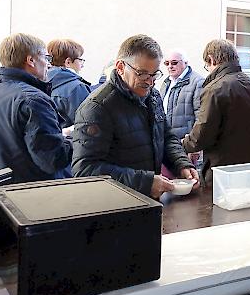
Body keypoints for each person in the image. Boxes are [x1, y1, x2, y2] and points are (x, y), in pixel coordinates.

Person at [72, 35, 198, 199]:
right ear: (120, 67)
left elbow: (166, 137)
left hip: (149, 202)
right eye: (142, 74)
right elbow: (85, 170)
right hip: (116, 207)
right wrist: (144, 183)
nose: (150, 82)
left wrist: (181, 163)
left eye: (154, 75)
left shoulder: (153, 96)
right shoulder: (97, 108)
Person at [0, 33, 72, 182]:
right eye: (46, 58)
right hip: (27, 199)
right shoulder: (33, 100)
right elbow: (52, 159)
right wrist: (77, 137)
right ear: (31, 60)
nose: (49, 64)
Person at [182, 39, 250, 182]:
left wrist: (184, 143)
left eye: (206, 66)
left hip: (222, 172)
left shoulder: (214, 89)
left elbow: (203, 134)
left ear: (211, 59)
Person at [159, 49, 204, 140]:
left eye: (174, 63)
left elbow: (200, 117)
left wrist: (194, 142)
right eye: (167, 63)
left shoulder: (197, 82)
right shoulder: (166, 83)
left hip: (185, 143)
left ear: (185, 63)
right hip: (167, 141)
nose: (170, 66)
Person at [47, 39, 91, 128]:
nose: (82, 65)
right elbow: (87, 124)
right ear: (68, 62)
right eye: (80, 60)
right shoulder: (76, 88)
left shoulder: (43, 82)